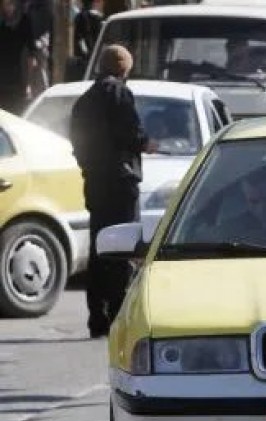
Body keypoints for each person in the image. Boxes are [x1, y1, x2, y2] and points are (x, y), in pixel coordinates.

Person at [69, 45, 155, 339]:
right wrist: (147, 144)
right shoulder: (120, 94)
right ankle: (119, 315)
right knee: (123, 247)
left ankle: (97, 316)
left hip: (96, 183)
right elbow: (132, 134)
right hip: (121, 182)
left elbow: (78, 144)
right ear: (124, 68)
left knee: (99, 249)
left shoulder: (84, 100)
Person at [0, 0, 35, 113]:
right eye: (5, 4)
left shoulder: (24, 20)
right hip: (2, 73)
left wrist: (29, 83)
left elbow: (31, 49)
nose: (8, 7)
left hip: (17, 74)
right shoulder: (1, 20)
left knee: (16, 108)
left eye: (10, 3)